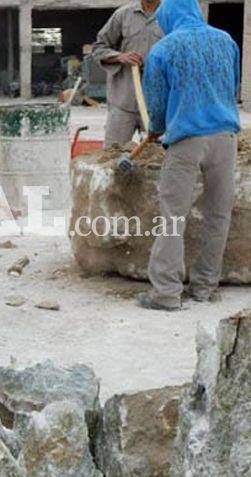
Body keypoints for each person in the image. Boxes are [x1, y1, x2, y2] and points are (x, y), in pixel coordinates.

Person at [136, 0, 240, 310]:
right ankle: (205, 288)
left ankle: (166, 293)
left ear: (168, 17)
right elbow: (231, 87)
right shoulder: (225, 40)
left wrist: (156, 127)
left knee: (172, 217)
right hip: (226, 137)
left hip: (186, 140)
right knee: (218, 216)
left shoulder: (164, 49)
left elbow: (156, 102)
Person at [92, 0, 163, 147]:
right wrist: (119, 56)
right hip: (123, 103)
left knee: (158, 159)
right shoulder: (122, 15)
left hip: (158, 106)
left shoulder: (171, 15)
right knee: (112, 156)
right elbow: (98, 48)